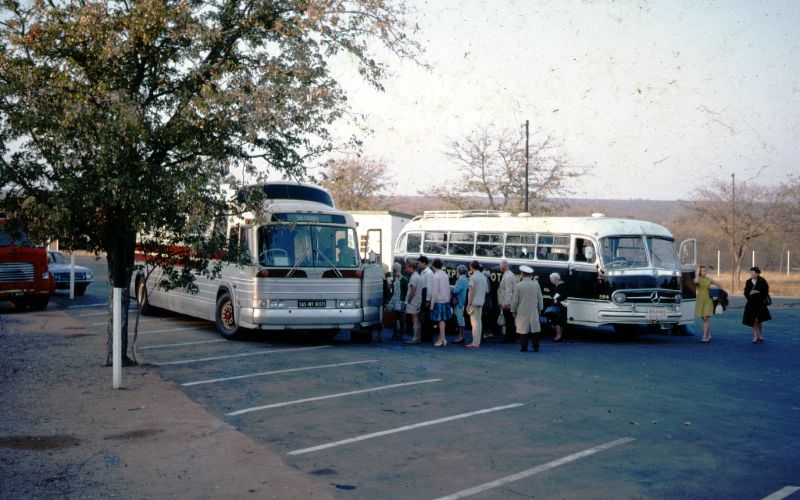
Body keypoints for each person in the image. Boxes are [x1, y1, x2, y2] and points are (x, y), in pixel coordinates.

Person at [511, 265, 544, 352]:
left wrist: (513, 310)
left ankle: (523, 347)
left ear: (522, 274)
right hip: (533, 309)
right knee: (535, 328)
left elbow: (515, 300)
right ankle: (536, 347)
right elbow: (540, 297)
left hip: (522, 310)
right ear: (530, 275)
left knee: (523, 329)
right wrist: (540, 308)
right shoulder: (536, 284)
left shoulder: (518, 285)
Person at [743, 266, 771, 343]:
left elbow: (766, 292)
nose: (751, 274)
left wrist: (757, 293)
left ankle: (761, 334)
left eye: (753, 273)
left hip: (760, 303)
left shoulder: (762, 281)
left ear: (757, 273)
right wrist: (750, 294)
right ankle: (755, 336)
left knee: (759, 320)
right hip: (751, 303)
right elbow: (745, 292)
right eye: (751, 272)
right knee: (754, 320)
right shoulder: (748, 281)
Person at [465, 260, 489, 349]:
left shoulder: (473, 277)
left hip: (474, 303)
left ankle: (475, 343)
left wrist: (468, 304)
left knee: (474, 324)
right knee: (479, 323)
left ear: (471, 267)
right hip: (481, 302)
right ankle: (477, 341)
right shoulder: (483, 277)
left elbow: (471, 292)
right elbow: (487, 290)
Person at [694, 265, 721, 343]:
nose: (704, 272)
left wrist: (717, 294)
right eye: (702, 271)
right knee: (704, 319)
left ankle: (705, 337)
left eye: (705, 270)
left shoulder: (709, 279)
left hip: (708, 300)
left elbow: (719, 285)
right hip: (700, 300)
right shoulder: (697, 279)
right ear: (699, 272)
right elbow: (696, 282)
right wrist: (696, 273)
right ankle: (708, 334)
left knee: (706, 318)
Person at [429, 259, 452, 347]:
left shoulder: (436, 276)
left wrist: (432, 304)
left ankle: (442, 339)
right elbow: (448, 288)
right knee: (442, 321)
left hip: (438, 301)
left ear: (433, 266)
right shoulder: (445, 275)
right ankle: (441, 338)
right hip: (446, 300)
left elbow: (434, 291)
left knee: (440, 321)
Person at [497, 260, 517, 343]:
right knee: (510, 320)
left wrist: (506, 303)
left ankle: (509, 338)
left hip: (508, 303)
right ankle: (510, 337)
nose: (499, 268)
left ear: (503, 267)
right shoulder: (508, 275)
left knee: (509, 321)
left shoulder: (508, 276)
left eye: (500, 266)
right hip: (508, 302)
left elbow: (509, 291)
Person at [387, 262, 408, 340]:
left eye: (394, 270)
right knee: (395, 318)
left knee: (401, 318)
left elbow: (406, 291)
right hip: (395, 299)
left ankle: (401, 334)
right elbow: (392, 290)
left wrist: (405, 300)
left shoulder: (404, 279)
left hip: (400, 300)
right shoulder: (394, 279)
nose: (394, 272)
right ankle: (395, 333)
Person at [404, 261, 422, 344]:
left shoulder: (413, 277)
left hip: (413, 302)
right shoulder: (417, 276)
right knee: (417, 320)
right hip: (417, 300)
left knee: (414, 319)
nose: (406, 269)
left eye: (407, 268)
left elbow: (412, 291)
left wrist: (409, 300)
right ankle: (417, 337)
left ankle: (415, 338)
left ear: (411, 267)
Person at [417, 255, 434, 342]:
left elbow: (429, 287)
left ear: (424, 263)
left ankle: (428, 337)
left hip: (426, 294)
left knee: (427, 317)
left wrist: (428, 299)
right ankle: (424, 336)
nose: (418, 265)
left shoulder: (429, 273)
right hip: (422, 294)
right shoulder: (422, 272)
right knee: (423, 316)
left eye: (419, 263)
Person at [452, 265, 469, 344]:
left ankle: (460, 336)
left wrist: (451, 288)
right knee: (462, 321)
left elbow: (456, 290)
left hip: (459, 303)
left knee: (460, 321)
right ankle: (461, 336)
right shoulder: (466, 279)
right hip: (463, 302)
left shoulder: (460, 280)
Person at [549, 272, 568, 341]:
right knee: (561, 322)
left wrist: (553, 296)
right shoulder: (562, 285)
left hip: (559, 306)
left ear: (555, 279)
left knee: (557, 321)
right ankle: (560, 335)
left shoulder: (560, 286)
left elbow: (557, 296)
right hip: (563, 305)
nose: (550, 281)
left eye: (551, 279)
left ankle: (558, 336)